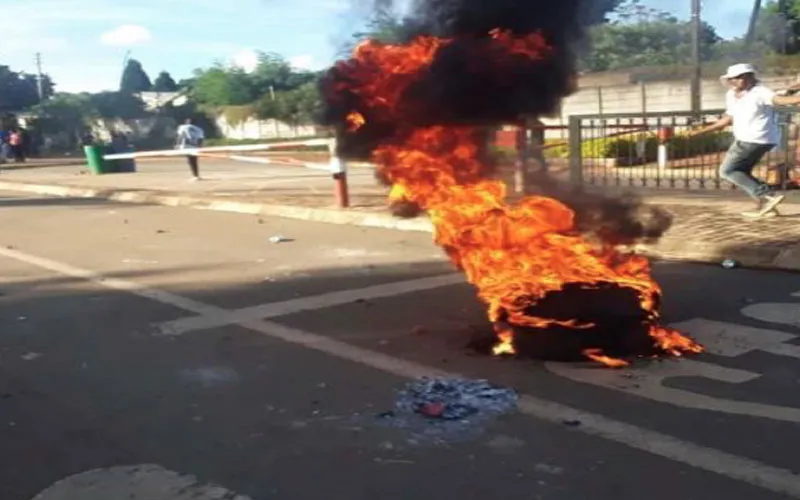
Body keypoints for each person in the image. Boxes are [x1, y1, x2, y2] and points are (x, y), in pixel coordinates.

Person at [687, 63, 800, 218]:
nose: (735, 82)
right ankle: (765, 205)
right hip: (751, 139)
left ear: (749, 77)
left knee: (727, 171)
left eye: (739, 78)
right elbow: (727, 120)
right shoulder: (731, 95)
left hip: (754, 138)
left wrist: (797, 98)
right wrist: (701, 131)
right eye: (732, 79)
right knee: (742, 172)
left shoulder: (760, 92)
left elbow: (779, 100)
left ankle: (768, 196)